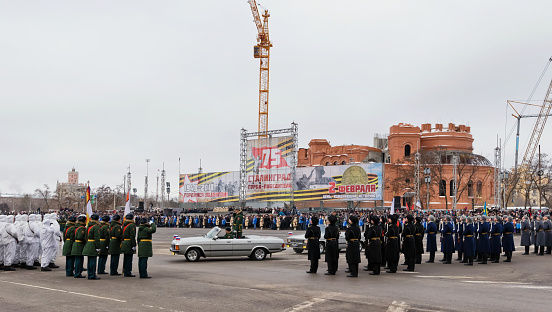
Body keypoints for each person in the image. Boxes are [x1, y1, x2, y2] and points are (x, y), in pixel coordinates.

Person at [83, 214, 101, 280]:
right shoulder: (96, 226)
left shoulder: (88, 226)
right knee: (93, 261)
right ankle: (92, 275)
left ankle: (89, 274)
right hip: (93, 244)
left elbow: (86, 236)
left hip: (88, 243)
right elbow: (97, 237)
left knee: (89, 261)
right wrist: (98, 247)